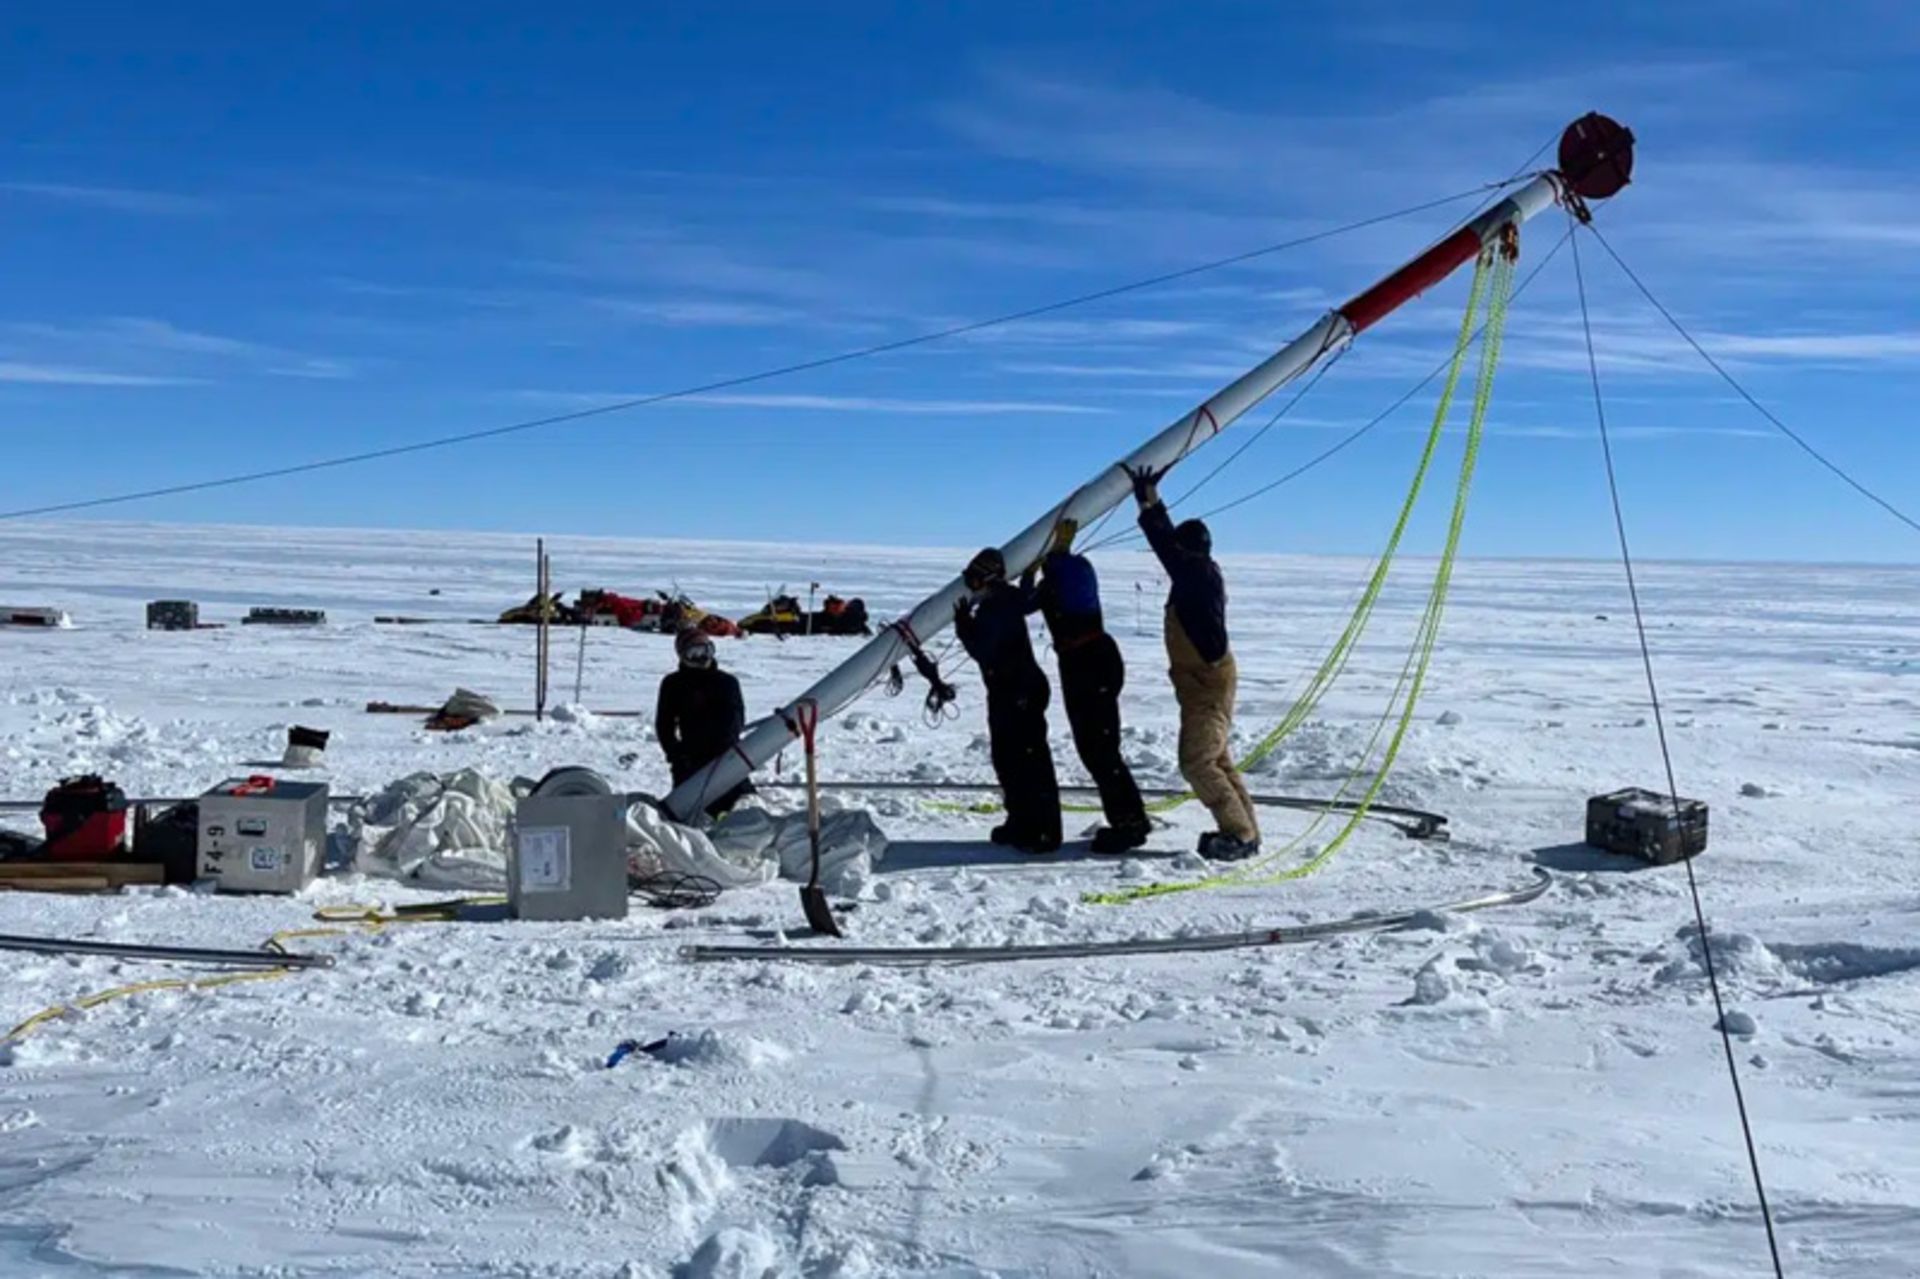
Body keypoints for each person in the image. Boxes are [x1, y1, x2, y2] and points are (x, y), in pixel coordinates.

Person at [1123, 463, 1260, 859]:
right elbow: (1171, 549)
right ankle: (1246, 832)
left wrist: (1149, 501)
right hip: (1205, 683)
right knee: (1216, 758)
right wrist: (1149, 501)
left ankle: (1238, 835)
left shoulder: (1196, 573)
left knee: (1197, 762)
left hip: (1207, 683)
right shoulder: (1198, 573)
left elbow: (1166, 546)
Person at [1020, 520, 1151, 852]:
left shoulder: (1072, 572)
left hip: (1087, 664)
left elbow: (1025, 603)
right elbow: (1030, 600)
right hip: (1090, 661)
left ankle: (1129, 823)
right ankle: (1129, 818)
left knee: (1099, 749)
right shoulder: (1069, 574)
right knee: (1098, 748)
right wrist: (1038, 571)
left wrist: (1036, 569)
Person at [954, 546, 1062, 853]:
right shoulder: (1007, 598)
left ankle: (1041, 831)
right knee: (1008, 760)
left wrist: (964, 627)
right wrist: (1029, 575)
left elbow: (983, 651)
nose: (970, 585)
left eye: (973, 579)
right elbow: (1027, 599)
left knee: (1027, 762)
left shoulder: (994, 607)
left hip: (1017, 691)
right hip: (1012, 690)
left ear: (988, 579)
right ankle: (1021, 821)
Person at [655, 626, 753, 817]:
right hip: (690, 760)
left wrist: (728, 753)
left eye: (706, 650)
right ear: (682, 655)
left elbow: (735, 721)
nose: (701, 657)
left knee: (742, 810)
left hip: (726, 758)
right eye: (694, 652)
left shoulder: (727, 682)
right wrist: (676, 756)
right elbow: (664, 725)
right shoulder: (673, 684)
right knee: (687, 814)